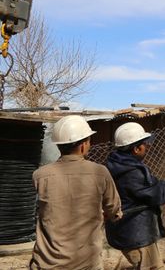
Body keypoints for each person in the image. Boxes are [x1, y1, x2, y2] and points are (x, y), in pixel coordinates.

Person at [29, 115, 122, 270]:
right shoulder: (100, 173)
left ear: (59, 146)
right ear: (83, 146)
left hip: (47, 264)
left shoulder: (40, 175)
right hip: (87, 263)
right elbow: (113, 210)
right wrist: (112, 215)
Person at [106, 122, 165, 270]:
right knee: (152, 267)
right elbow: (153, 194)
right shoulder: (131, 172)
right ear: (136, 149)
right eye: (145, 144)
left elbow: (153, 185)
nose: (147, 147)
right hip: (135, 234)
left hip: (130, 231)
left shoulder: (120, 164)